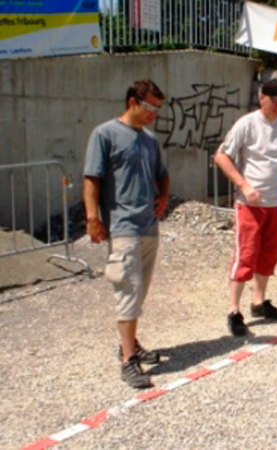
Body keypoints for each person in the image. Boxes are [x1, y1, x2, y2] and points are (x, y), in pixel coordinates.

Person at [83, 79, 170, 388]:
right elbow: (92, 178)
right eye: (149, 107)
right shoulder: (104, 134)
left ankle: (129, 344)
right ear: (132, 102)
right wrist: (93, 217)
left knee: (139, 291)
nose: (154, 114)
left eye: (158, 109)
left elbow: (162, 174)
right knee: (128, 291)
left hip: (149, 226)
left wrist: (164, 196)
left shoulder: (150, 139)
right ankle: (128, 361)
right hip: (123, 228)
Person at [214, 78, 277, 337]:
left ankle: (259, 302)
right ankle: (233, 310)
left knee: (269, 254)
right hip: (250, 204)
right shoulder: (247, 124)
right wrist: (244, 185)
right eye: (275, 102)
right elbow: (222, 156)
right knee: (245, 254)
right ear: (262, 98)